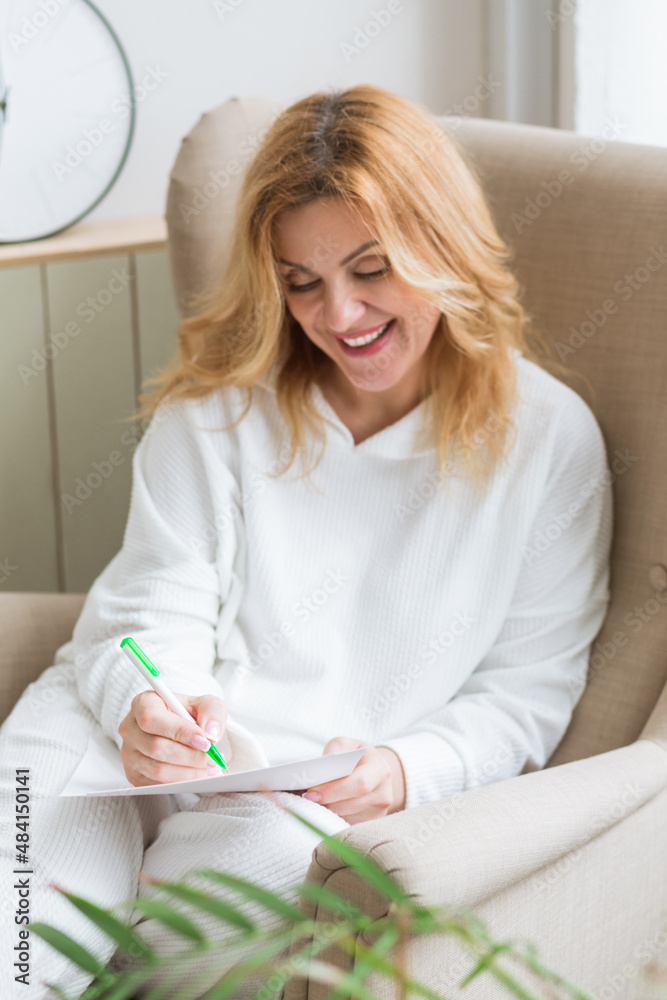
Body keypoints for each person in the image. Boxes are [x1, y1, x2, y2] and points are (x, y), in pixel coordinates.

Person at [0, 84, 613, 1000]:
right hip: (107, 746)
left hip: (295, 810)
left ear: (441, 246)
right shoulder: (217, 411)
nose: (341, 316)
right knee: (16, 931)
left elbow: (530, 689)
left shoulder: (548, 439)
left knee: (254, 888)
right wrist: (148, 704)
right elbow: (142, 613)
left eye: (372, 269)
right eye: (301, 283)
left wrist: (406, 771)